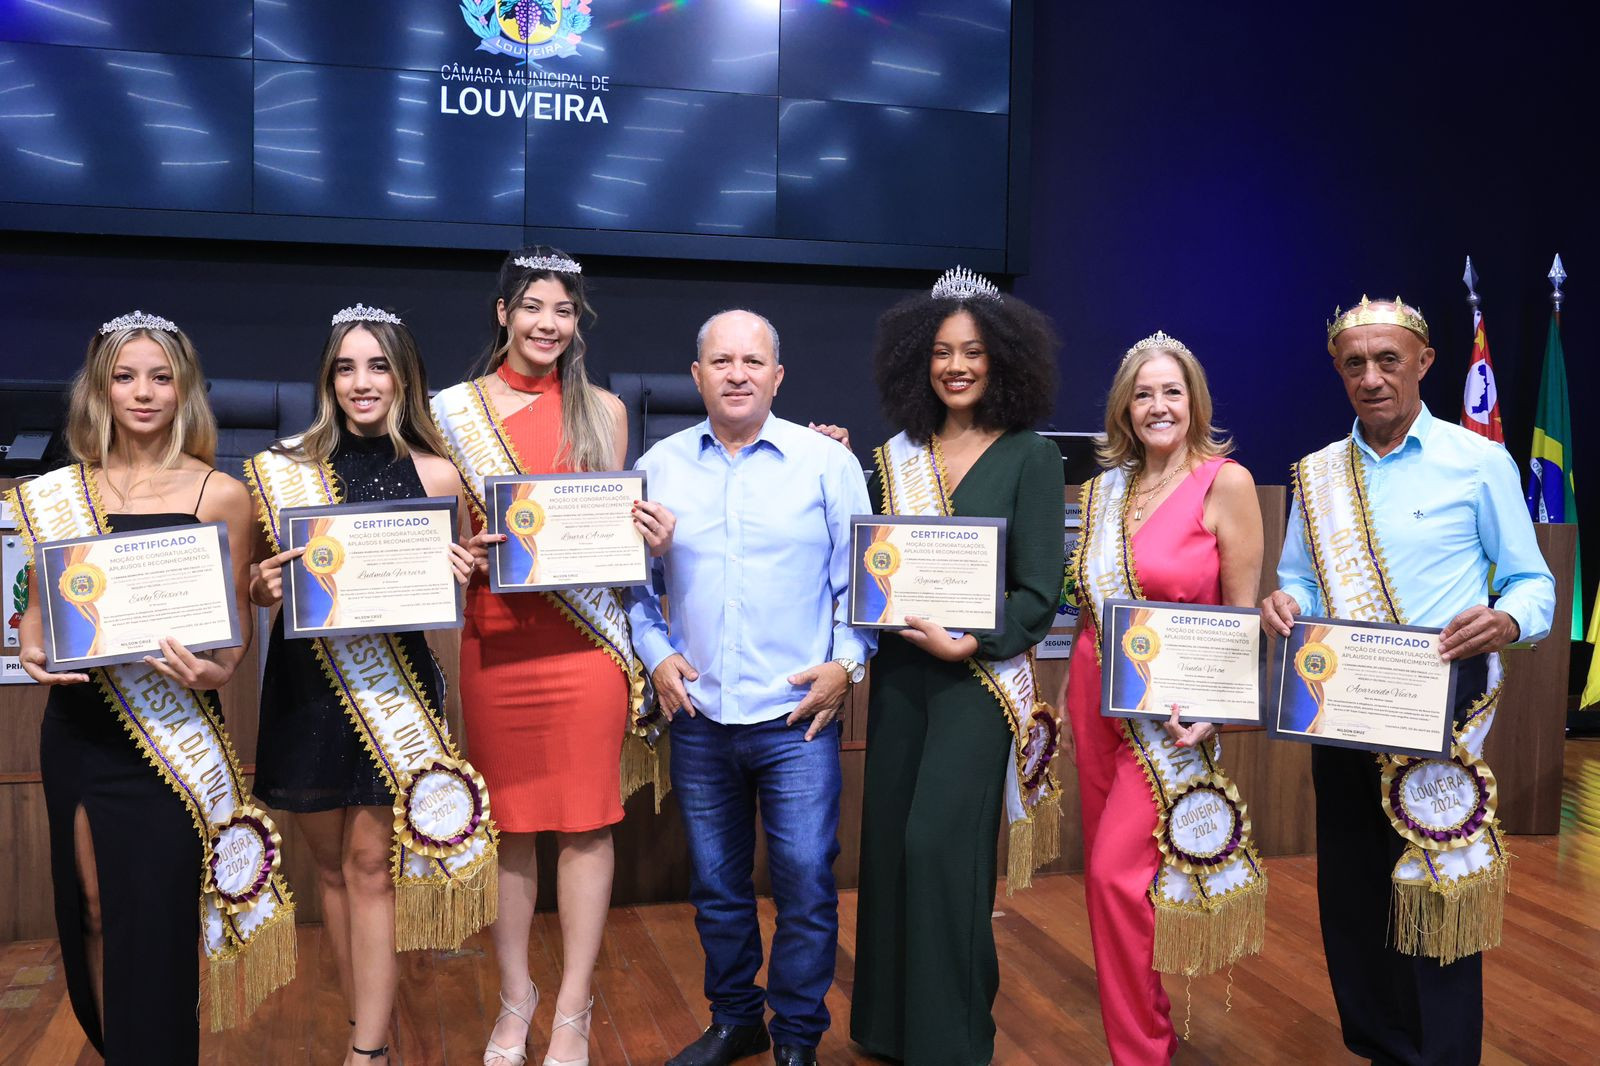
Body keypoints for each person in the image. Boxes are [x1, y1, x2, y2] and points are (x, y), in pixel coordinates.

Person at [1262, 296, 1554, 1065]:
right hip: (1342, 699)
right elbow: (1300, 580)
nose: (1372, 378)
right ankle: (1380, 1046)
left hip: (1441, 701)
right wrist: (1287, 602)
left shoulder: (1478, 461)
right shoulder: (1318, 474)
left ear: (1424, 362)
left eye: (1388, 360)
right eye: (1355, 364)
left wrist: (1508, 619)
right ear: (1338, 370)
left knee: (1435, 884)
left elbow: (1532, 584)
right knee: (1354, 889)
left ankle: (1442, 1054)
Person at [8, 311, 292, 1064]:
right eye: (125, 377)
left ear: (184, 389)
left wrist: (220, 670)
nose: (143, 392)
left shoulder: (220, 494)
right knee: (93, 909)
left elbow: (235, 630)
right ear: (99, 389)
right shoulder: (56, 493)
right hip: (80, 727)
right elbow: (35, 613)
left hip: (171, 733)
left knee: (158, 918)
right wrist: (31, 646)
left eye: (161, 378)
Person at [431, 249, 673, 1066]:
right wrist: (458, 552)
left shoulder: (604, 411)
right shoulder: (450, 411)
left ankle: (573, 1006)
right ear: (503, 313)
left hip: (585, 647)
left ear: (578, 322)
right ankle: (515, 999)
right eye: (532, 307)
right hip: (497, 640)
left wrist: (646, 541)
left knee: (585, 824)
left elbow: (609, 530)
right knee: (508, 826)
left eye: (564, 311)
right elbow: (435, 533)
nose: (547, 324)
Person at [627, 309, 875, 1066]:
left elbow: (863, 585)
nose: (737, 374)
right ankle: (736, 1020)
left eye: (753, 361)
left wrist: (847, 665)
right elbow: (633, 588)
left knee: (805, 880)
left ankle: (796, 1036)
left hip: (798, 716)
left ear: (778, 376)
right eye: (721, 361)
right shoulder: (658, 465)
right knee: (716, 883)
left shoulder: (827, 464)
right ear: (697, 376)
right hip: (700, 714)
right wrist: (656, 654)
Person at [245, 304, 483, 1066]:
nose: (361, 382)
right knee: (329, 869)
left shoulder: (437, 473)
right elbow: (259, 582)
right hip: (306, 686)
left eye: (378, 365)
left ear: (404, 376)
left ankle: (369, 1052)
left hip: (392, 693)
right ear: (328, 379)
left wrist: (461, 572)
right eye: (345, 367)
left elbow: (455, 592)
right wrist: (259, 585)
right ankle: (363, 1024)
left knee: (370, 866)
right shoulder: (286, 469)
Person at [848, 267, 1066, 1066]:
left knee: (940, 848)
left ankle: (952, 1038)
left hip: (976, 681)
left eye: (972, 351)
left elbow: (1040, 591)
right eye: (942, 352)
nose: (957, 366)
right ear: (919, 361)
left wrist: (974, 641)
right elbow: (870, 562)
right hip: (903, 678)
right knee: (890, 844)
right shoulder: (892, 460)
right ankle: (888, 1027)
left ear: (1002, 358)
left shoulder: (1032, 457)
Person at [1054, 329, 1268, 1064]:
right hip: (1094, 695)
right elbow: (1090, 605)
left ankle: (1140, 1051)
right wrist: (1066, 681)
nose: (1158, 406)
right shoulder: (1103, 490)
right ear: (1124, 408)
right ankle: (1142, 1034)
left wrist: (1221, 707)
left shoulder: (1226, 483)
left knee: (1116, 876)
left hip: (1170, 713)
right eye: (1143, 394)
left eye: (1171, 391)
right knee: (1107, 884)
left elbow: (1242, 614)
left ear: (1194, 402)